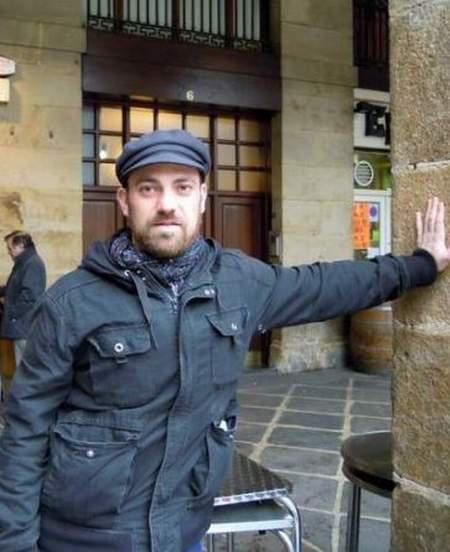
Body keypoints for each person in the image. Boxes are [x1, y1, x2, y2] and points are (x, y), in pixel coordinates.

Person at [0, 129, 448, 552]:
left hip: (182, 531)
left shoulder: (238, 282)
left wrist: (421, 265)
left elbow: (326, 285)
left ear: (202, 198)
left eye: (182, 187)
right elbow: (25, 429)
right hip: (85, 536)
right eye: (148, 188)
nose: (166, 204)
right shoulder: (71, 302)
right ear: (124, 200)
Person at [0, 231, 46, 369]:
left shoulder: (32, 264)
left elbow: (30, 297)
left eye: (10, 248)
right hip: (21, 326)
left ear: (20, 246)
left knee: (24, 370)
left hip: (24, 328)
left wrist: (10, 310)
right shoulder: (24, 262)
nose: (8, 252)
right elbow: (13, 287)